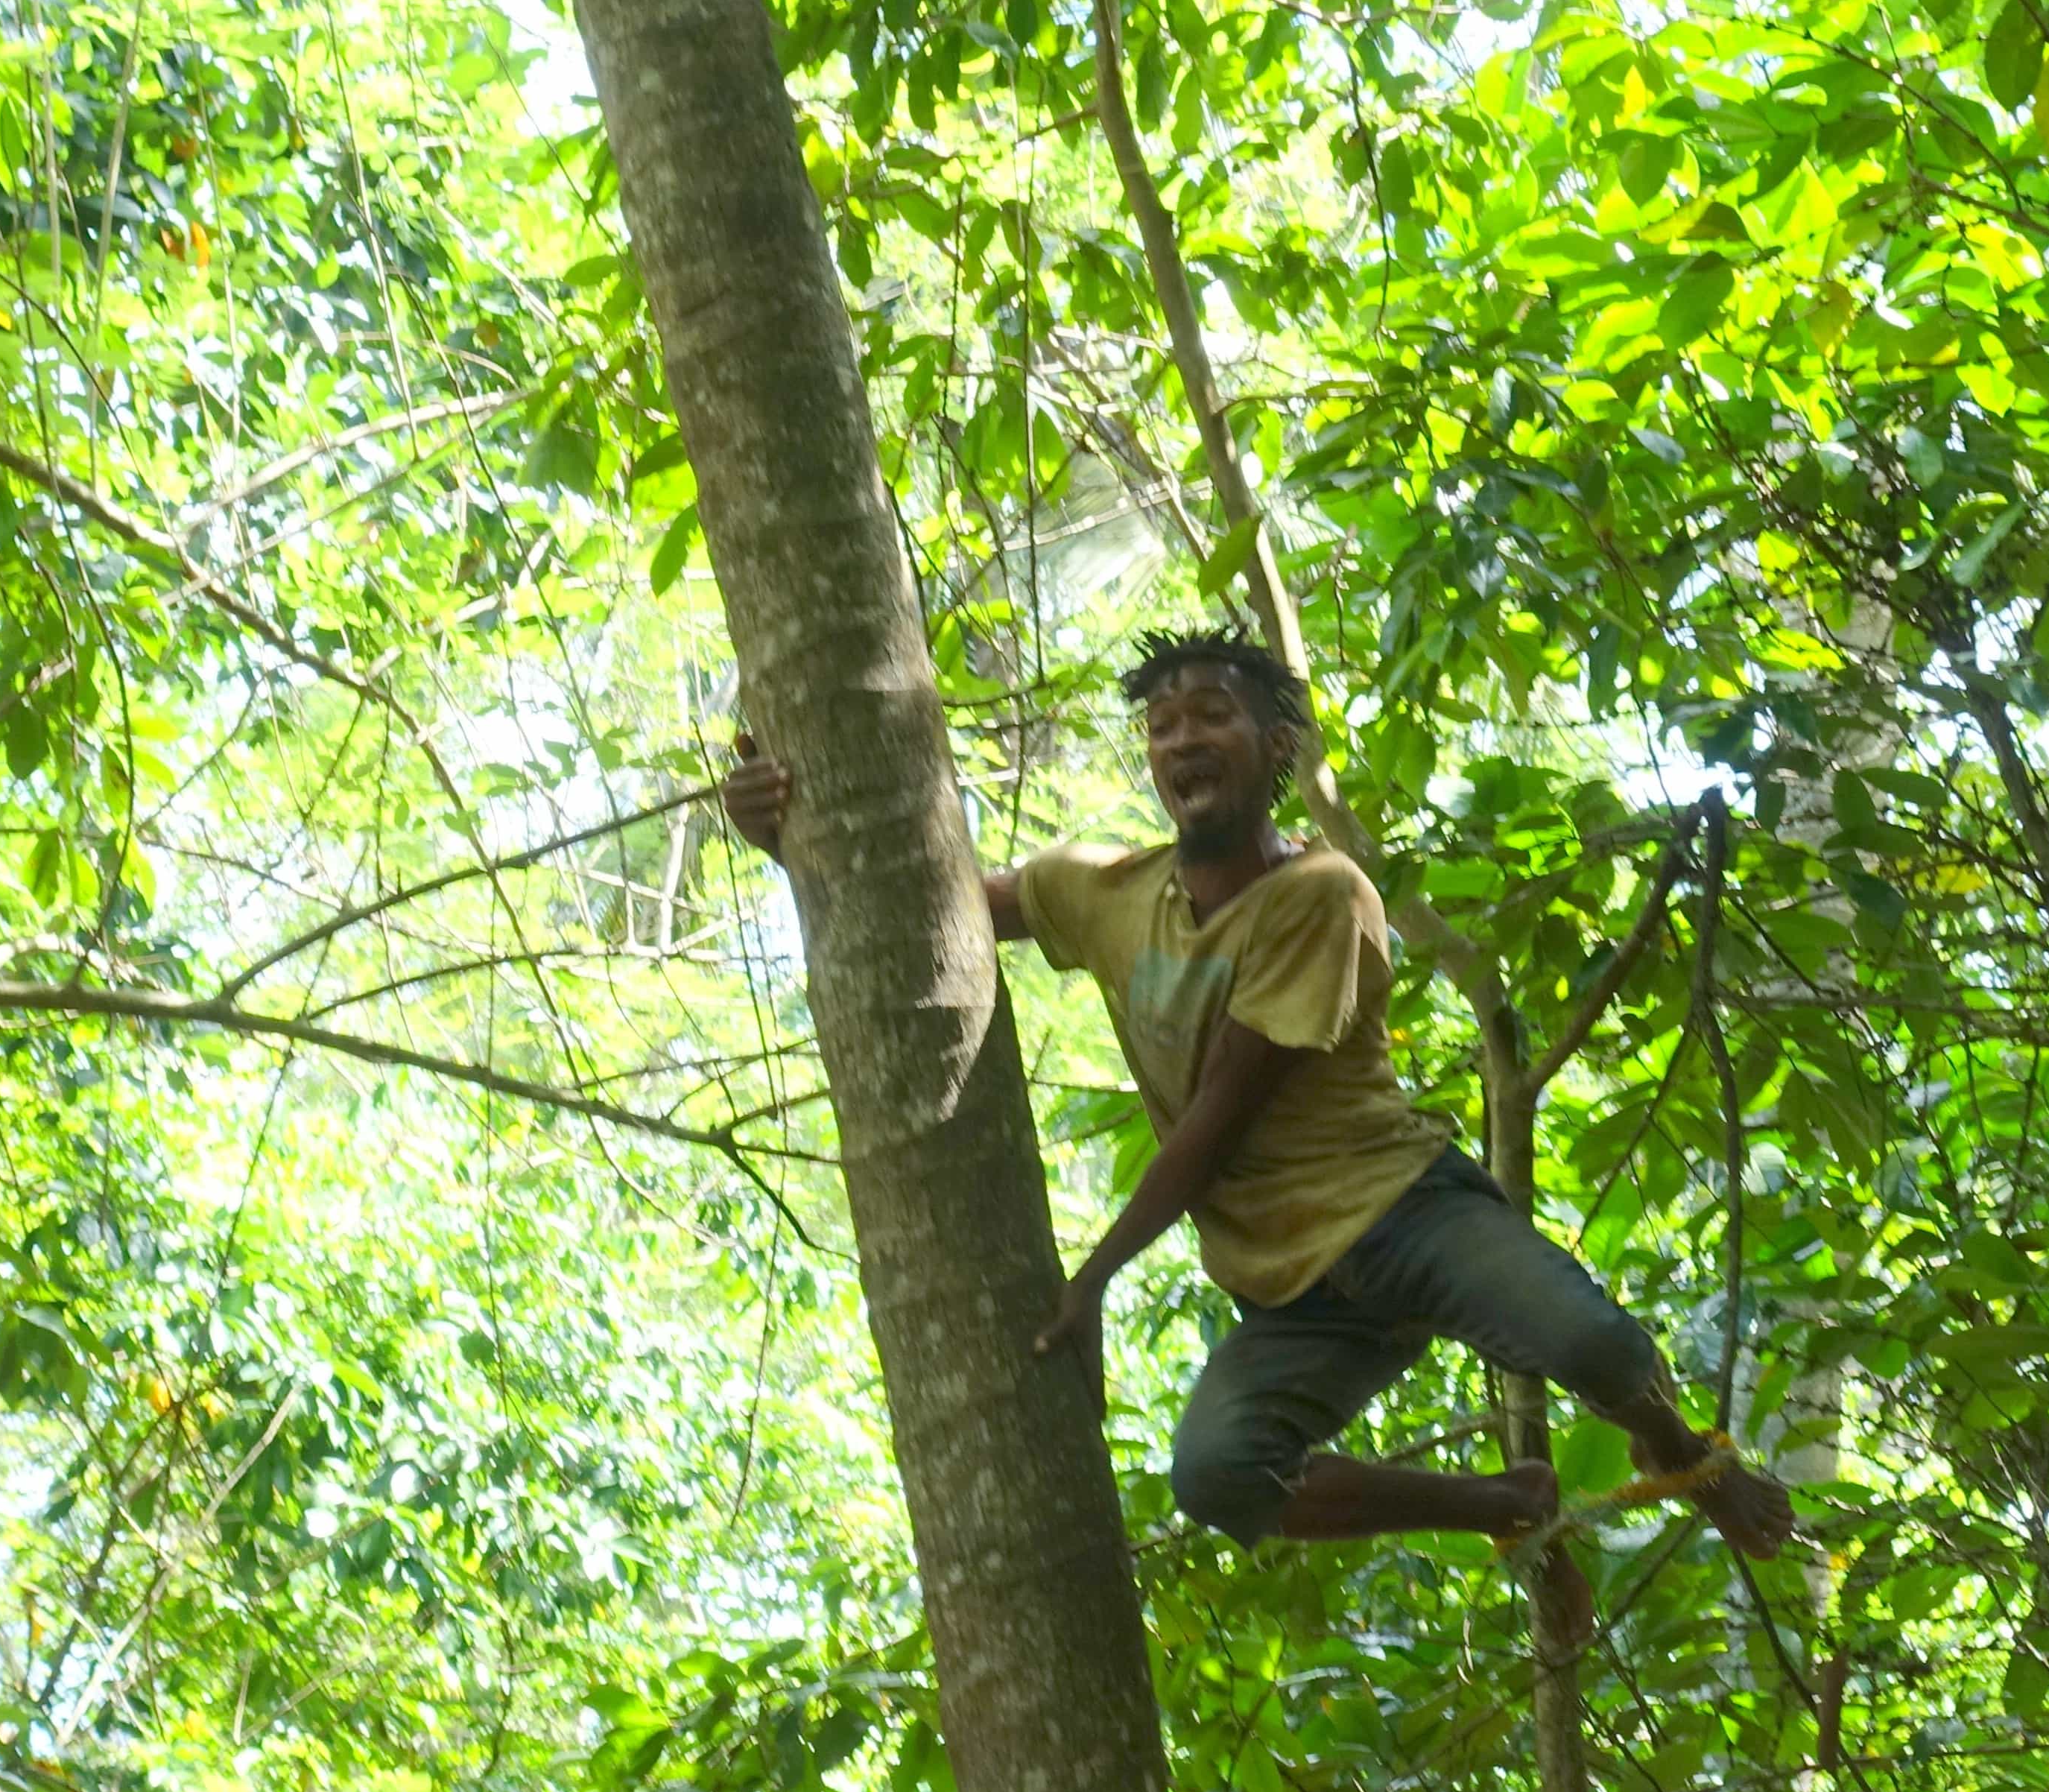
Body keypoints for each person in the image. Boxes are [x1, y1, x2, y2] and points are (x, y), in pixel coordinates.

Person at [721, 630, 1790, 1559]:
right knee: (1220, 1479)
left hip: (1405, 1209)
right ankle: (1504, 1503)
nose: (1183, 741)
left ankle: (1680, 1450)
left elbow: (1222, 1115)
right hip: (1288, 1288)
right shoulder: (1105, 893)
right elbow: (923, 904)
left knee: (1595, 1348)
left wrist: (1094, 1277)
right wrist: (783, 833)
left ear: (1277, 749)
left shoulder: (1324, 895)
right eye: (1163, 725)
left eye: (1214, 716)